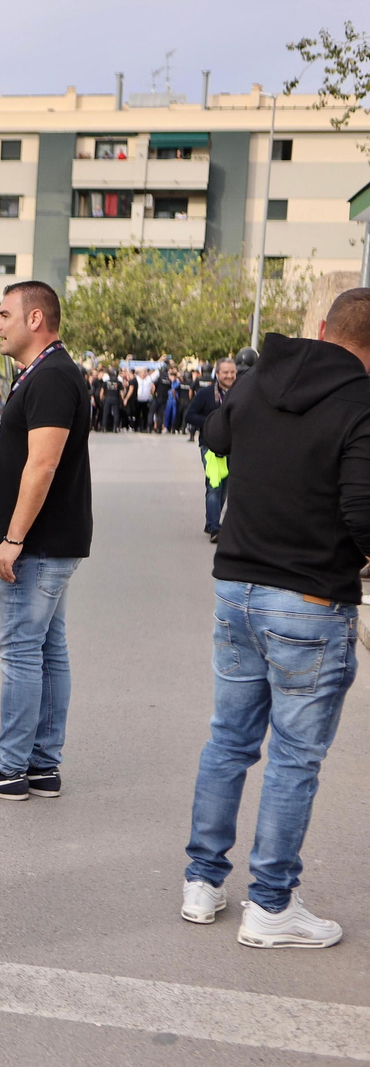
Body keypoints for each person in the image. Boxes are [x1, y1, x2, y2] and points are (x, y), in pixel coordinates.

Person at [180, 288, 370, 949]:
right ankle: (270, 903)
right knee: (293, 757)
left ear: (323, 327)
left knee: (228, 741)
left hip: (237, 586)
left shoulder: (259, 380)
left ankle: (202, 883)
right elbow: (363, 512)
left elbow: (214, 434)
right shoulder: (360, 403)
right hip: (311, 600)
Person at [0, 280, 91, 801]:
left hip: (39, 545)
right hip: (42, 540)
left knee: (23, 652)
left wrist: (13, 539)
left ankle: (9, 767)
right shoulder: (43, 373)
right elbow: (18, 466)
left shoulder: (52, 377)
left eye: (5, 315)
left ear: (35, 320)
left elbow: (44, 463)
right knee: (48, 651)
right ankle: (40, 764)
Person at [186, 358, 237, 542]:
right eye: (226, 372)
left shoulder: (240, 393)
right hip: (211, 446)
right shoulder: (206, 394)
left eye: (232, 372)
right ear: (217, 374)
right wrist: (211, 423)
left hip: (234, 447)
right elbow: (190, 415)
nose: (230, 375)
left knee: (225, 487)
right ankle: (216, 528)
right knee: (215, 485)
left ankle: (210, 522)